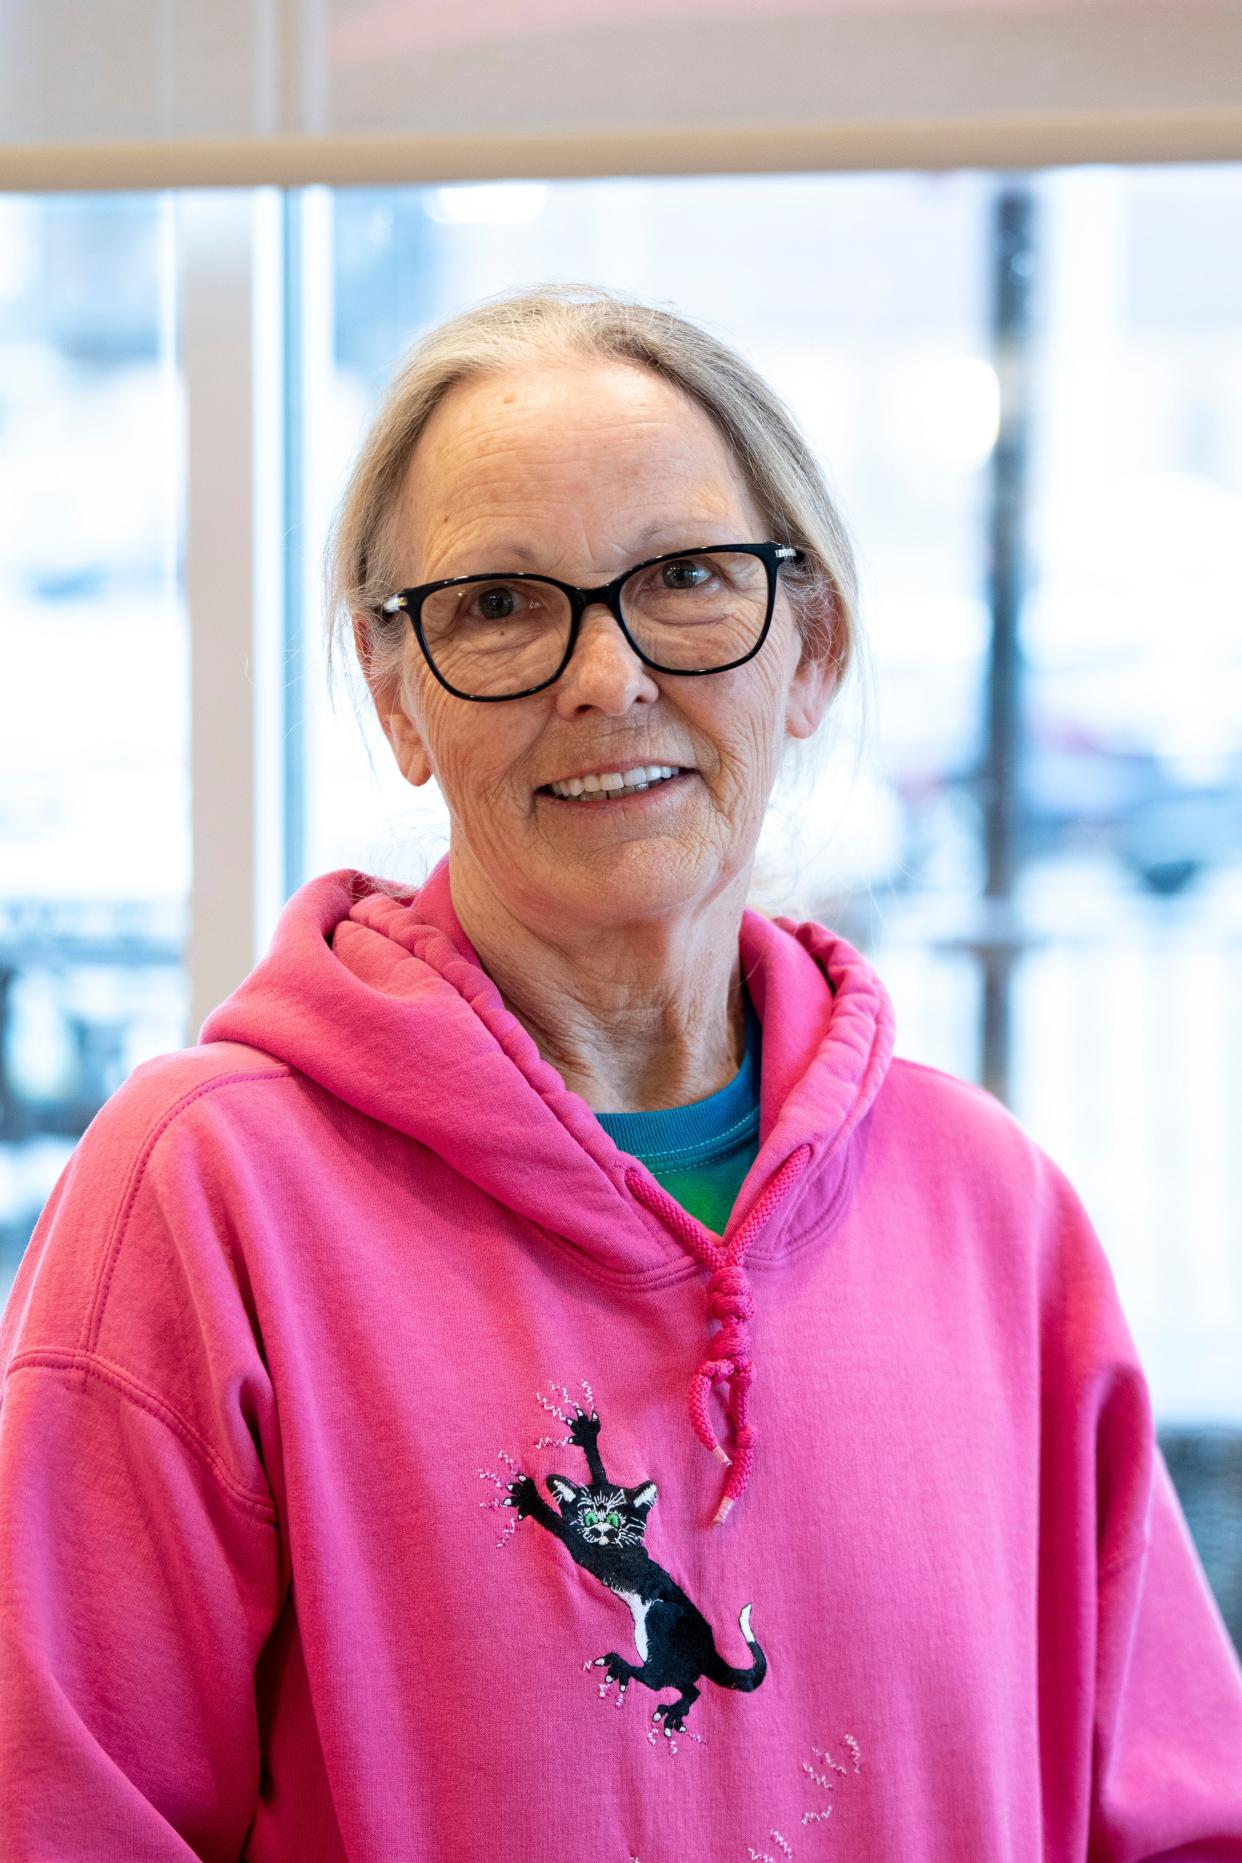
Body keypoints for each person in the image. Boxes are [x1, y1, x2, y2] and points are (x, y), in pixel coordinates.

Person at [1, 282, 1240, 1862]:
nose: (603, 677)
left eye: (686, 579)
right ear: (398, 696)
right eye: (501, 604)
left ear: (812, 650)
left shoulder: (994, 1215)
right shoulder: (208, 1197)